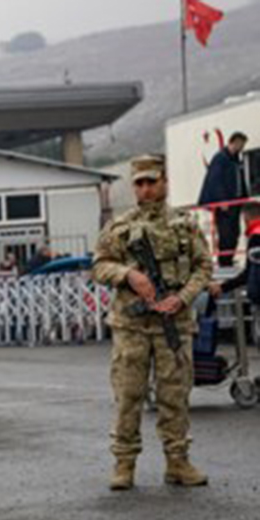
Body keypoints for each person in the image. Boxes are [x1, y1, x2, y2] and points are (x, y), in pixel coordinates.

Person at [94, 154, 212, 491]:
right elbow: (99, 265)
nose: (145, 189)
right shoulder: (120, 226)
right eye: (139, 183)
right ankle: (124, 464)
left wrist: (183, 297)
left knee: (175, 394)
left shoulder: (185, 224)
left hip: (172, 321)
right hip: (131, 326)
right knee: (129, 395)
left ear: (164, 182)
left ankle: (177, 461)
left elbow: (204, 266)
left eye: (151, 181)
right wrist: (128, 274)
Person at [198, 132, 249, 267]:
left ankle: (228, 258)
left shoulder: (236, 160)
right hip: (226, 204)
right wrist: (222, 200)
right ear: (233, 142)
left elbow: (240, 180)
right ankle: (224, 261)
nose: (242, 147)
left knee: (235, 232)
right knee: (226, 233)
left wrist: (245, 198)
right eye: (241, 144)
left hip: (235, 202)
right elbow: (216, 180)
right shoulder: (220, 158)